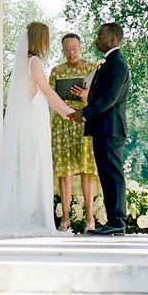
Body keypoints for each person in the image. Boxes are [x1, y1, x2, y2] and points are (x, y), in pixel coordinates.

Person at [0, 21, 76, 237]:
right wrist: (68, 112)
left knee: (29, 167)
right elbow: (47, 92)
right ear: (40, 39)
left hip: (29, 123)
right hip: (35, 124)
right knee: (36, 166)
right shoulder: (34, 62)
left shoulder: (22, 63)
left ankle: (27, 213)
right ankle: (34, 217)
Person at [76, 22, 130, 236]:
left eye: (100, 36)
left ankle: (117, 221)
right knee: (106, 175)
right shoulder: (109, 62)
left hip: (111, 128)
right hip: (103, 128)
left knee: (112, 175)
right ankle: (113, 221)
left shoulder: (117, 63)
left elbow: (110, 98)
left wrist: (85, 113)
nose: (97, 39)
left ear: (113, 39)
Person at [49, 33, 98, 232]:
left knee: (87, 171)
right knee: (65, 171)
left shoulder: (93, 68)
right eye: (67, 49)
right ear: (62, 50)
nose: (71, 53)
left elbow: (101, 97)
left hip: (85, 121)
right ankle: (65, 219)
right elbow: (50, 96)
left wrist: (86, 95)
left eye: (74, 48)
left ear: (81, 48)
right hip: (63, 123)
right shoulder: (56, 71)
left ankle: (90, 219)